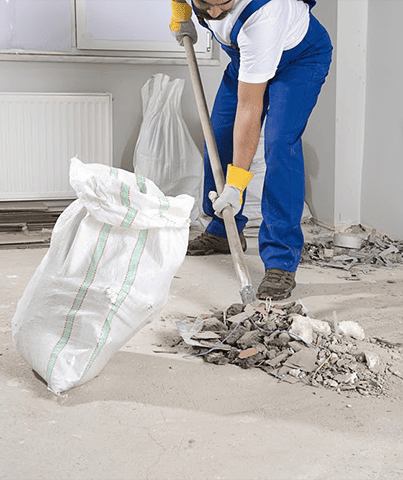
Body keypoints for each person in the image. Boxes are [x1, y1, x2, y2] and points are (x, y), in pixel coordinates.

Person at [170, 0, 332, 300]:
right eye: (205, 4)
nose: (214, 13)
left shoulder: (263, 17)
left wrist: (236, 184)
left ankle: (281, 260)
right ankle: (223, 230)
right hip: (246, 58)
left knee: (280, 145)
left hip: (299, 61)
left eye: (223, 4)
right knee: (218, 136)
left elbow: (249, 108)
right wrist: (181, 14)